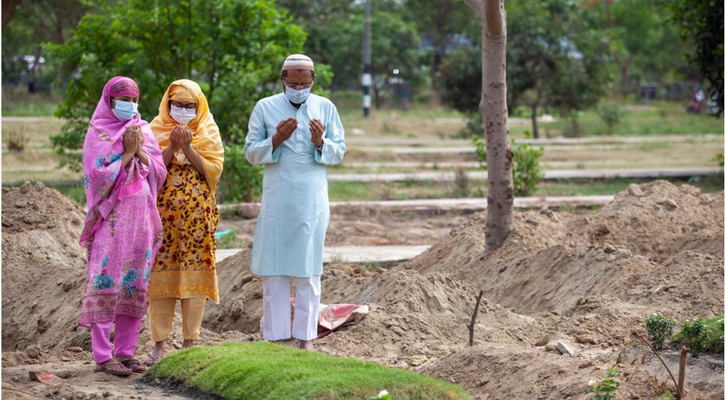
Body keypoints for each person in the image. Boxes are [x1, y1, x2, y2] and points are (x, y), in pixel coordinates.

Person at [245, 54, 346, 351]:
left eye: (305, 83)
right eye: (294, 83)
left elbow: (339, 151)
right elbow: (251, 153)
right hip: (278, 197)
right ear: (282, 80)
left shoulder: (325, 107)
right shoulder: (265, 107)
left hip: (312, 200)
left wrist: (320, 143)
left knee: (309, 270)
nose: (300, 88)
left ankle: (306, 338)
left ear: (313, 81)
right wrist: (275, 140)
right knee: (275, 270)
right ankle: (277, 338)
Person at [79, 76, 167, 376]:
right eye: (123, 99)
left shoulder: (142, 129)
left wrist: (139, 151)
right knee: (107, 279)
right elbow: (97, 174)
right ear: (109, 100)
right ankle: (104, 356)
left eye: (133, 99)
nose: (129, 105)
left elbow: (158, 170)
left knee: (135, 282)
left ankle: (127, 352)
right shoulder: (99, 132)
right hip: (113, 222)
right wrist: (127, 153)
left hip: (141, 218)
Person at [145, 79, 224, 365]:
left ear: (198, 106)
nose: (182, 110)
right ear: (167, 105)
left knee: (194, 275)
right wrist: (172, 146)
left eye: (188, 106)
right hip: (162, 218)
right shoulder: (154, 130)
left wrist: (188, 149)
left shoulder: (208, 131)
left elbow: (213, 172)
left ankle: (191, 341)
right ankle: (158, 345)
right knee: (160, 278)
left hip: (197, 220)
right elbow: (150, 171)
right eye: (176, 105)